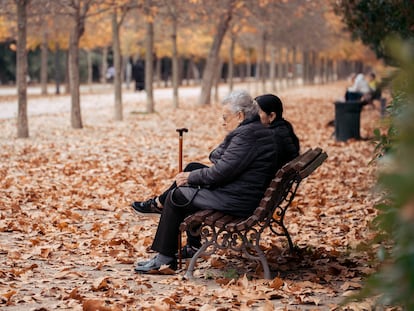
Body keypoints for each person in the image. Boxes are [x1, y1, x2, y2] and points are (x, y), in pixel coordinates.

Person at [132, 91, 300, 274]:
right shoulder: (254, 131)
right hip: (246, 193)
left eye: (225, 117)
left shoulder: (248, 135)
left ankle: (164, 258)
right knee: (190, 177)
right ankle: (174, 247)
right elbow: (222, 162)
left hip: (239, 200)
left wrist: (190, 178)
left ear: (240, 115)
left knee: (178, 195)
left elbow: (220, 172)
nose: (223, 121)